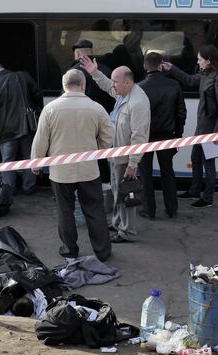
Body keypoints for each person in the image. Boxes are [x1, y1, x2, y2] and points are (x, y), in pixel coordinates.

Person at [30, 69, 114, 261]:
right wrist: (98, 150)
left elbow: (41, 138)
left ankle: (70, 250)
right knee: (94, 210)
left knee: (64, 211)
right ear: (83, 85)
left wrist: (37, 162)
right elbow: (109, 135)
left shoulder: (50, 109)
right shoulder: (96, 108)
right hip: (89, 170)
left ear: (63, 85)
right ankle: (102, 251)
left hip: (61, 172)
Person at [79, 55, 151, 243]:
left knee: (125, 193)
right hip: (116, 155)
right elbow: (106, 85)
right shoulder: (124, 94)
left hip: (125, 159)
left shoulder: (137, 103)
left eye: (116, 82)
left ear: (127, 82)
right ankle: (119, 224)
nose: (113, 85)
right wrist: (94, 73)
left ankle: (127, 232)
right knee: (118, 192)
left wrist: (133, 164)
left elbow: (139, 137)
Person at [163, 44, 218, 208]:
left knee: (209, 164)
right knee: (195, 158)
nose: (198, 62)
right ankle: (194, 190)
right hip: (201, 128)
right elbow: (189, 79)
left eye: (200, 59)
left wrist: (217, 133)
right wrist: (171, 68)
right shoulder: (204, 74)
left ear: (208, 61)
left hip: (210, 130)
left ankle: (207, 198)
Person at [137, 52, 187, 220]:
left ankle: (148, 210)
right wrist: (178, 135)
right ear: (161, 65)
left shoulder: (139, 88)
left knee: (145, 174)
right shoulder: (174, 85)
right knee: (168, 172)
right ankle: (171, 209)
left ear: (145, 66)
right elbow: (181, 113)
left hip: (145, 139)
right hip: (167, 136)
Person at [0, 62, 43, 195]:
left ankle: (9, 189)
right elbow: (37, 95)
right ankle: (29, 187)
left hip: (5, 132)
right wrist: (37, 111)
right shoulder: (24, 76)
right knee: (29, 157)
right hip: (28, 126)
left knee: (8, 161)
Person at [71, 39, 115, 183]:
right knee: (101, 153)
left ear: (77, 53)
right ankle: (104, 184)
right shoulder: (106, 69)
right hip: (103, 118)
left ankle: (84, 184)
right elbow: (112, 97)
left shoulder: (73, 72)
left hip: (79, 122)